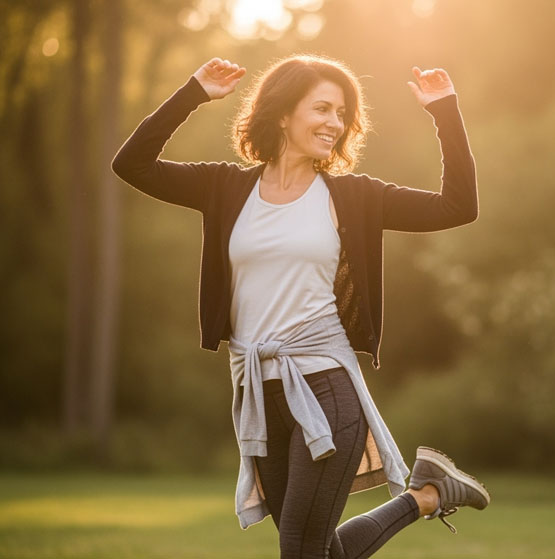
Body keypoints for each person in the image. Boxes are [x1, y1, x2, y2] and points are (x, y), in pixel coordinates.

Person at [112, 54, 489, 558]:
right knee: (317, 550)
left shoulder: (353, 197)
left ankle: (426, 493)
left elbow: (458, 206)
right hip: (259, 397)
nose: (335, 123)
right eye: (323, 109)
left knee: (300, 550)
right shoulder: (225, 188)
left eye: (342, 114)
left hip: (325, 388)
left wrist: (444, 110)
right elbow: (130, 164)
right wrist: (193, 92)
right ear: (284, 113)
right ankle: (427, 494)